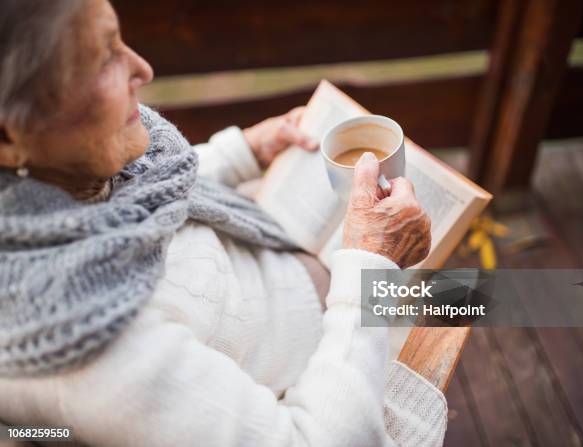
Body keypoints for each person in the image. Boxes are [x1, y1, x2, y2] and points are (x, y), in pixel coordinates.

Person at [0, 1, 445, 446]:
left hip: (299, 267)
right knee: (475, 302)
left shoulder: (58, 183)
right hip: (348, 346)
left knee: (487, 295)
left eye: (120, 39)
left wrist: (242, 154)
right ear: (8, 137)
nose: (143, 69)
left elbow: (125, 201)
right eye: (101, 59)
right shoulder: (86, 353)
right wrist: (369, 263)